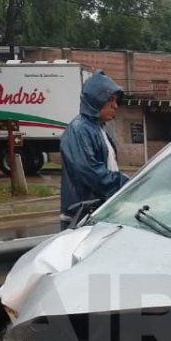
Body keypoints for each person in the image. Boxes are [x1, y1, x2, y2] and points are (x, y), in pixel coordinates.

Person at [59, 70, 130, 230]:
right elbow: (90, 172)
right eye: (110, 100)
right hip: (81, 217)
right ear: (95, 100)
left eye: (116, 100)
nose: (115, 105)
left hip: (95, 213)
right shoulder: (80, 130)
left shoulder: (97, 128)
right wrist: (126, 183)